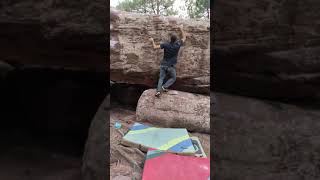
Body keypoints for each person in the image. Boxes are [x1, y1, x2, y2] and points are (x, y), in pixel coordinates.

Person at [149, 25, 186, 97]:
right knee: (173, 78)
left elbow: (155, 47)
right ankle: (164, 87)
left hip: (163, 64)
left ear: (170, 39)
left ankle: (158, 91)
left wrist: (152, 41)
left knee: (161, 78)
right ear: (176, 40)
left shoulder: (165, 44)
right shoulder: (177, 45)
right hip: (170, 66)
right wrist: (181, 29)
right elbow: (184, 37)